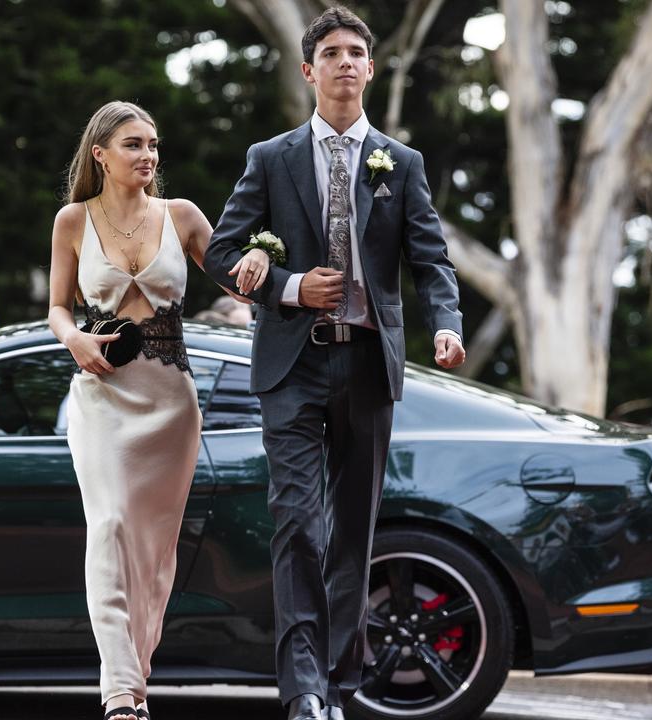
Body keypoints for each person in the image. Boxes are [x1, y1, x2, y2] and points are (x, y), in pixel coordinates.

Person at [202, 7, 466, 720]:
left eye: (357, 52)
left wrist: (446, 325)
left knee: (355, 530)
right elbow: (221, 255)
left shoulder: (400, 164)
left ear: (370, 70)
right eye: (332, 52)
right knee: (298, 524)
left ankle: (340, 683)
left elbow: (431, 260)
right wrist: (288, 286)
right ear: (308, 70)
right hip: (293, 366)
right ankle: (304, 692)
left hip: (369, 367)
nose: (345, 62)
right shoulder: (270, 158)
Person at [47, 101, 257, 720]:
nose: (149, 157)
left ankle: (136, 677)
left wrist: (263, 258)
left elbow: (238, 284)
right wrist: (75, 338)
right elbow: (58, 307)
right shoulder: (72, 221)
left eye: (154, 145)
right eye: (134, 145)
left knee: (154, 552)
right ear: (101, 155)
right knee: (108, 527)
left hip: (171, 405)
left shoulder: (183, 216)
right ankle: (119, 689)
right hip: (102, 398)